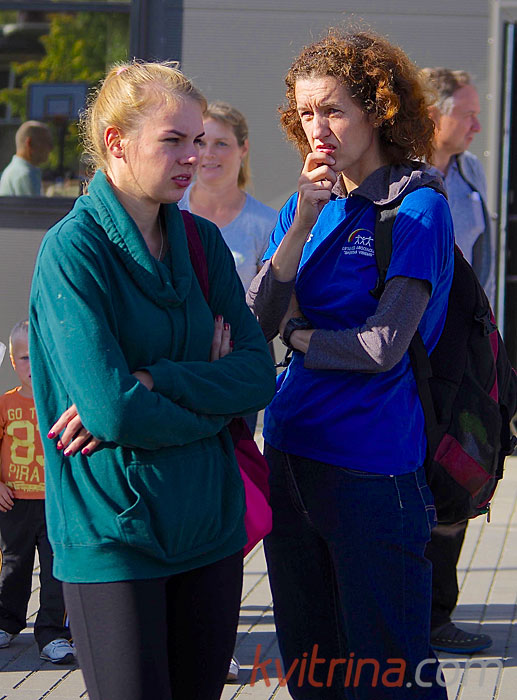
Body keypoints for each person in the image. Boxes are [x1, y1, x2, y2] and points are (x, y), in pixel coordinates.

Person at [28, 60, 276, 700]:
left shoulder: (203, 243)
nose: (194, 156)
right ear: (116, 141)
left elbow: (258, 376)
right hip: (115, 537)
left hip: (210, 530)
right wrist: (208, 393)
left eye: (199, 140)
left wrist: (155, 379)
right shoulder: (72, 250)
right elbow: (113, 412)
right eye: (173, 140)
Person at [248, 29, 454, 699]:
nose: (318, 128)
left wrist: (302, 337)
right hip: (289, 455)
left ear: (378, 110)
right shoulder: (303, 203)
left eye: (333, 109)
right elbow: (256, 322)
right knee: (312, 670)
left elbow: (381, 345)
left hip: (372, 468)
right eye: (306, 112)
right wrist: (300, 226)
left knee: (392, 673)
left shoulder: (416, 209)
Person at [422, 67, 494, 655]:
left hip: (463, 352)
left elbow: (483, 259)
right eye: (467, 114)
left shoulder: (470, 173)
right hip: (412, 352)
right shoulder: (400, 176)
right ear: (434, 114)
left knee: (459, 474)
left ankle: (437, 615)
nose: (476, 125)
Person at [179, 101, 278, 440]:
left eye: (221, 143)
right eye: (201, 142)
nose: (208, 153)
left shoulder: (266, 223)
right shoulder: (169, 209)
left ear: (243, 148)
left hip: (236, 367)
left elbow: (271, 305)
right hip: (179, 359)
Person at [0, 320, 72, 663]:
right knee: (13, 565)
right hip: (13, 503)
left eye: (39, 356)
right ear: (14, 362)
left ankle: (53, 633)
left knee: (56, 568)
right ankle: (6, 621)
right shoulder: (4, 404)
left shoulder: (61, 402)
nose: (32, 364)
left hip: (55, 503)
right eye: (25, 357)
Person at [0, 121, 53, 196]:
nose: (51, 148)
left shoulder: (17, 170)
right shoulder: (24, 175)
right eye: (46, 142)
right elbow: (34, 204)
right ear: (29, 143)